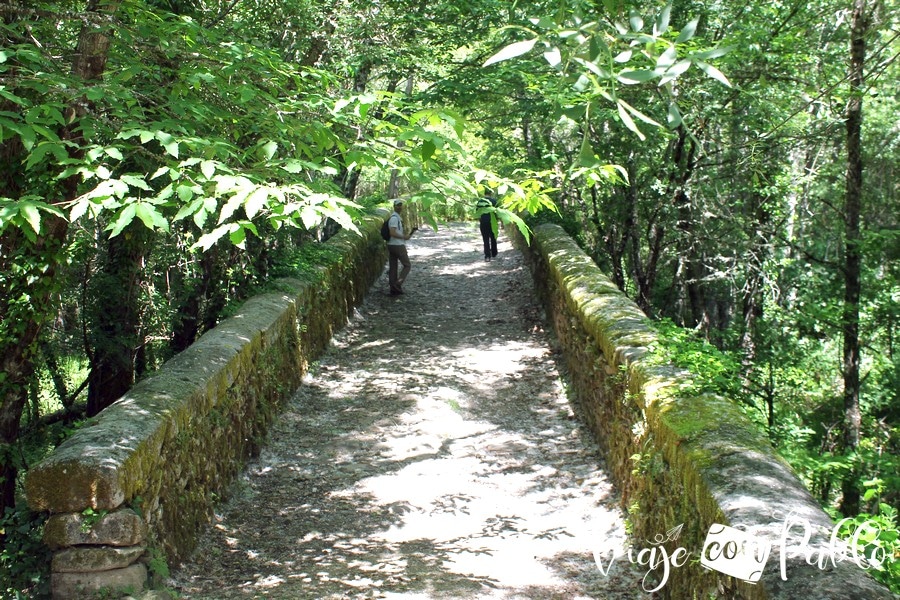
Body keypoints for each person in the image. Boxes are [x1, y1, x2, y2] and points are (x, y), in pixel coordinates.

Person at [387, 198, 417, 295]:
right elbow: (392, 232)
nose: (399, 207)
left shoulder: (395, 218)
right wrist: (404, 237)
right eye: (397, 205)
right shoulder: (394, 219)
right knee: (407, 265)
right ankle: (397, 284)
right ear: (394, 207)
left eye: (400, 205)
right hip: (397, 245)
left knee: (393, 267)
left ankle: (393, 289)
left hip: (392, 245)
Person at [476, 191, 498, 261]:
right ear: (491, 193)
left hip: (483, 222)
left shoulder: (480, 201)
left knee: (485, 239)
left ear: (484, 194)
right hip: (493, 222)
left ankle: (487, 256)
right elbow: (497, 212)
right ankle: (494, 253)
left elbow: (478, 212)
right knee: (493, 238)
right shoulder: (494, 201)